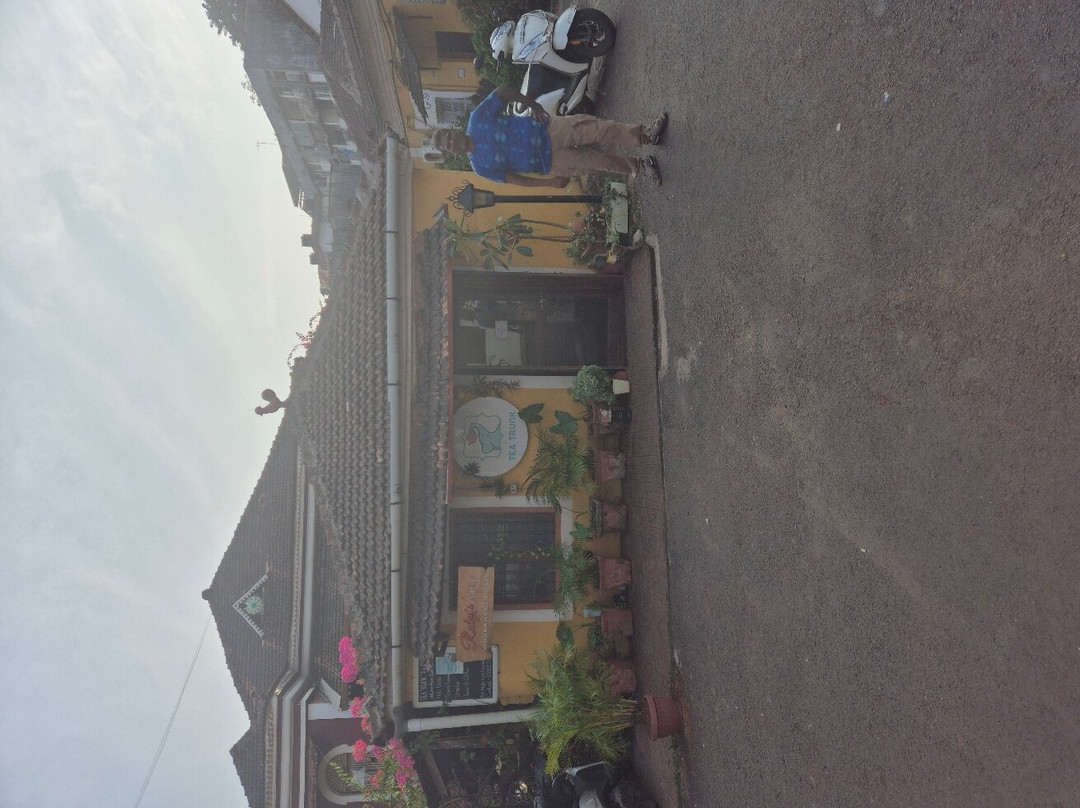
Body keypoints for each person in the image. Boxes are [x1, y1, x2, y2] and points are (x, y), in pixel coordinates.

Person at [432, 85, 668, 187]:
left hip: (548, 130)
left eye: (448, 136)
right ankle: (641, 166)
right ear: (450, 152)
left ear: (453, 130)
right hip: (550, 162)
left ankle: (647, 136)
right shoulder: (480, 166)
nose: (452, 142)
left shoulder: (477, 119)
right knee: (600, 162)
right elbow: (516, 180)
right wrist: (550, 183)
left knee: (600, 129)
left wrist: (533, 105)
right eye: (448, 145)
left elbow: (502, 92)